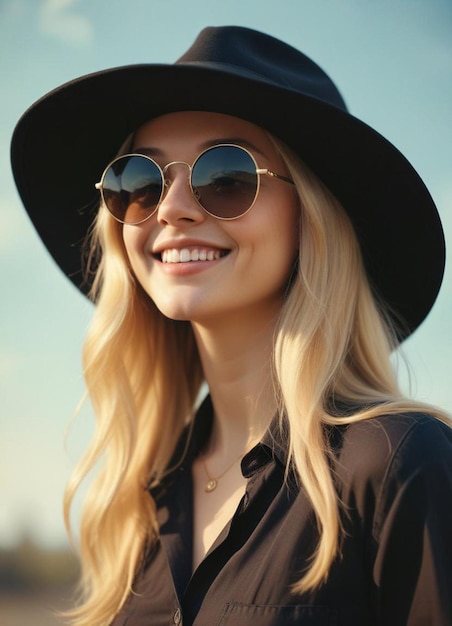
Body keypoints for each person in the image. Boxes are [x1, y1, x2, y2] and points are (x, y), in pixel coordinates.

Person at [11, 25, 452, 626]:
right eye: (139, 180)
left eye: (226, 176)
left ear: (312, 216)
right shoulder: (138, 507)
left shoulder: (400, 466)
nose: (170, 207)